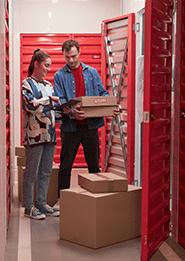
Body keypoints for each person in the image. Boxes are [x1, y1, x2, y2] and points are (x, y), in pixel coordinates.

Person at [52, 39, 113, 211]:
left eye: (73, 56)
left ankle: (97, 199)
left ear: (79, 52)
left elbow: (103, 93)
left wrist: (107, 104)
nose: (70, 60)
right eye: (67, 57)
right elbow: (60, 99)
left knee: (93, 165)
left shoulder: (92, 72)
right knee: (66, 166)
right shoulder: (59, 75)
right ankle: (61, 200)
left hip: (90, 126)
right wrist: (71, 113)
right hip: (70, 128)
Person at [21, 49, 62, 219]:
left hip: (50, 135)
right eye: (46, 65)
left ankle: (42, 204)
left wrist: (63, 109)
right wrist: (50, 101)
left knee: (45, 172)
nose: (48, 69)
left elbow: (50, 109)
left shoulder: (48, 85)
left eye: (49, 66)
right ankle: (29, 207)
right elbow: (30, 106)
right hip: (35, 136)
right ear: (36, 64)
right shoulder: (26, 84)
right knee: (32, 172)